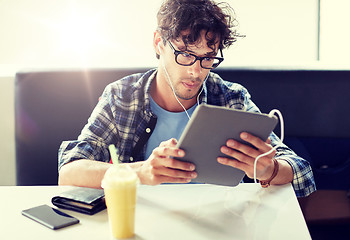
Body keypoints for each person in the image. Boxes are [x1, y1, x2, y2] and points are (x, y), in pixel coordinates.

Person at [58, 0, 316, 197]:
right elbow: (69, 172)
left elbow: (301, 172)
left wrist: (267, 170)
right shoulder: (121, 97)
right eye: (185, 54)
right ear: (159, 43)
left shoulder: (230, 97)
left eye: (207, 58)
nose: (196, 71)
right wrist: (142, 172)